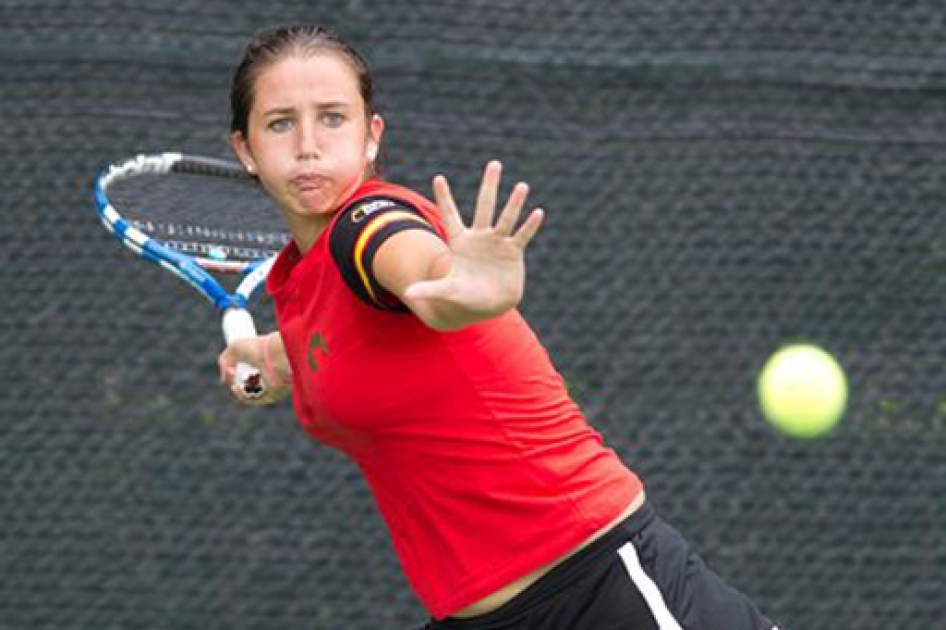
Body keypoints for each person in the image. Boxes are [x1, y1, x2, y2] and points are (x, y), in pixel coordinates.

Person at [218, 23, 781, 630]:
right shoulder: (304, 286)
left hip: (596, 589)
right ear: (245, 149)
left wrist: (461, 290)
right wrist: (261, 369)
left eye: (332, 118)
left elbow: (424, 281)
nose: (308, 145)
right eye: (280, 123)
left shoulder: (367, 225)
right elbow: (310, 360)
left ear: (371, 136)